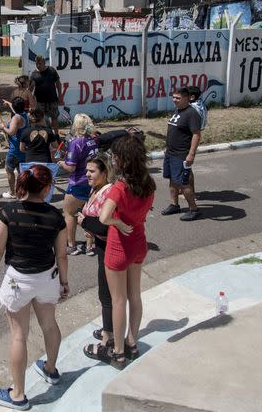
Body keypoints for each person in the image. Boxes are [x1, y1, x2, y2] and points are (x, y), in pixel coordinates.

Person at [0, 165, 68, 411]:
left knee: (19, 335)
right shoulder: (55, 216)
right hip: (47, 278)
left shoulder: (9, 212)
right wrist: (64, 282)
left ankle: (18, 395)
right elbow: (62, 255)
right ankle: (51, 369)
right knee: (50, 325)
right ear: (45, 188)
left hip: (18, 280)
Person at [98, 134, 155, 370]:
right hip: (139, 242)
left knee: (118, 300)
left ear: (120, 160)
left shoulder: (119, 188)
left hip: (119, 246)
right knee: (135, 296)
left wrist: (119, 223)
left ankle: (118, 352)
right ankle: (132, 342)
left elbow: (104, 217)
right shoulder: (148, 183)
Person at [78, 155, 116, 359]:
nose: (87, 175)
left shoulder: (109, 192)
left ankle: (108, 341)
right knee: (105, 294)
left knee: (107, 296)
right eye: (87, 171)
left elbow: (106, 226)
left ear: (105, 172)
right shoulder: (96, 189)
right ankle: (108, 329)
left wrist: (85, 223)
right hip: (101, 247)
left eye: (92, 171)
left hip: (109, 248)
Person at [57, 114, 99, 255]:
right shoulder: (92, 141)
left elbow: (71, 168)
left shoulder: (76, 142)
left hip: (78, 182)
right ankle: (89, 246)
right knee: (90, 214)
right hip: (92, 181)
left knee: (69, 213)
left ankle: (71, 246)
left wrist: (62, 163)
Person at [161, 87, 202, 221]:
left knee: (183, 183)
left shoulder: (192, 113)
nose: (174, 100)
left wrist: (191, 155)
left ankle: (194, 209)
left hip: (181, 155)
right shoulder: (178, 110)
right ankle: (174, 205)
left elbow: (196, 135)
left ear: (187, 98)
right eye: (173, 97)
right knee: (172, 180)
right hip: (170, 153)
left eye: (178, 98)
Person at [19, 107, 60, 203]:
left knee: (30, 183)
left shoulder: (25, 132)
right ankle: (44, 200)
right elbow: (56, 146)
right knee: (44, 183)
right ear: (43, 118)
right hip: (45, 161)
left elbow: (22, 149)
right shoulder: (49, 131)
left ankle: (31, 200)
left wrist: (30, 151)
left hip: (29, 161)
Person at [0, 97, 29, 199]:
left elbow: (12, 132)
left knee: (9, 170)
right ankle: (23, 192)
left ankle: (12, 192)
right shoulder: (25, 115)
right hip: (23, 149)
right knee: (22, 172)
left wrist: (3, 128)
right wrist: (9, 103)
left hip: (14, 150)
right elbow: (16, 110)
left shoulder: (16, 118)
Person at [29, 55, 63, 132]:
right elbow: (30, 90)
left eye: (40, 63)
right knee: (41, 119)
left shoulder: (51, 70)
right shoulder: (33, 74)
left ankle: (56, 135)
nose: (38, 65)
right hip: (40, 102)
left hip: (52, 99)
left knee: (54, 118)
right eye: (36, 64)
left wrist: (60, 96)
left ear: (44, 62)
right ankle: (44, 135)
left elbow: (58, 83)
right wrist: (31, 86)